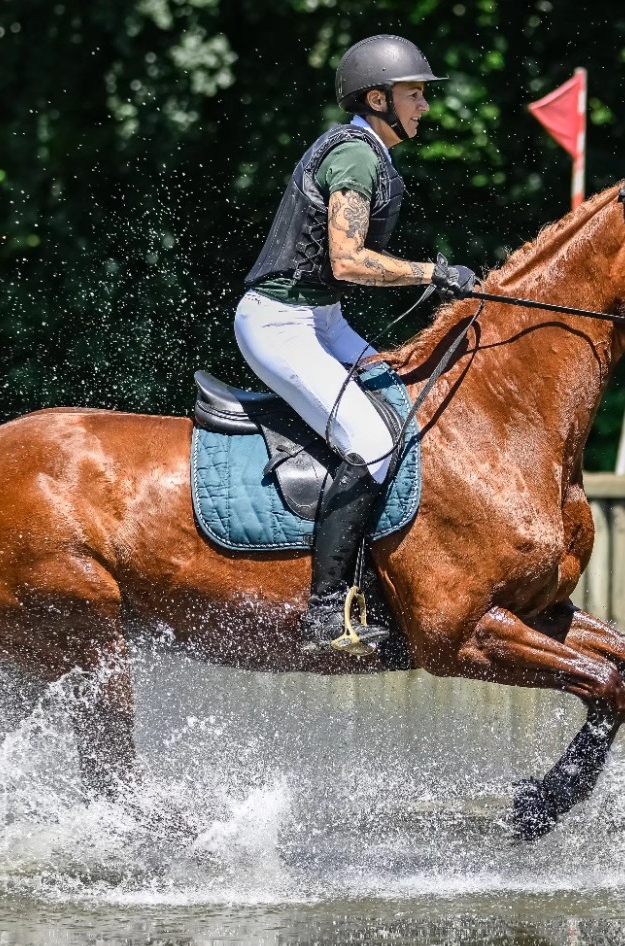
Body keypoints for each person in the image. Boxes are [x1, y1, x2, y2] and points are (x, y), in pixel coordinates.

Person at [237, 35, 477, 651]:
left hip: (321, 319)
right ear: (378, 99)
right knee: (370, 443)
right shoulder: (355, 156)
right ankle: (324, 612)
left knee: (404, 404)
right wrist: (432, 273)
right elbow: (347, 260)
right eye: (414, 94)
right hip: (280, 324)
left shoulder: (370, 153)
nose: (424, 106)